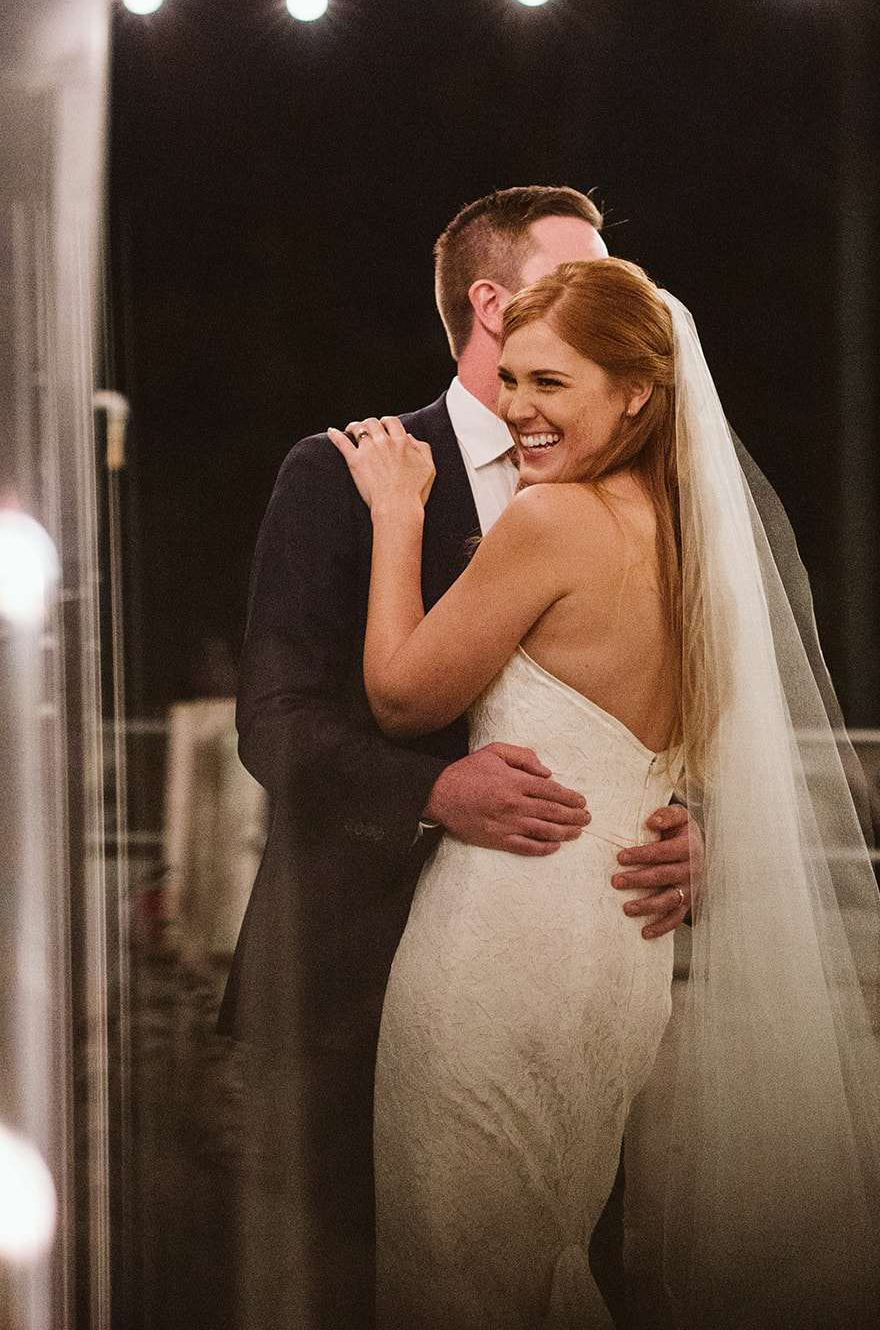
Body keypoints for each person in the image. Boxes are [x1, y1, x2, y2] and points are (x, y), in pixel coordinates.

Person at [331, 257, 880, 1330]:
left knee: (456, 1277)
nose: (517, 410)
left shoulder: (551, 523)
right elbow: (694, 754)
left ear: (634, 392)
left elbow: (397, 697)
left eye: (549, 384)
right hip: (622, 953)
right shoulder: (694, 545)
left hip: (503, 942)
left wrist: (398, 510)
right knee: (544, 1257)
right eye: (511, 380)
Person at [217, 189, 695, 1330]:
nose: (603, 297)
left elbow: (654, 702)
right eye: (571, 276)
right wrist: (432, 789)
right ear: (494, 302)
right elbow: (272, 717)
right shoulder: (341, 469)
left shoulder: (635, 502)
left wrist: (682, 816)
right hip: (347, 976)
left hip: (551, 973)